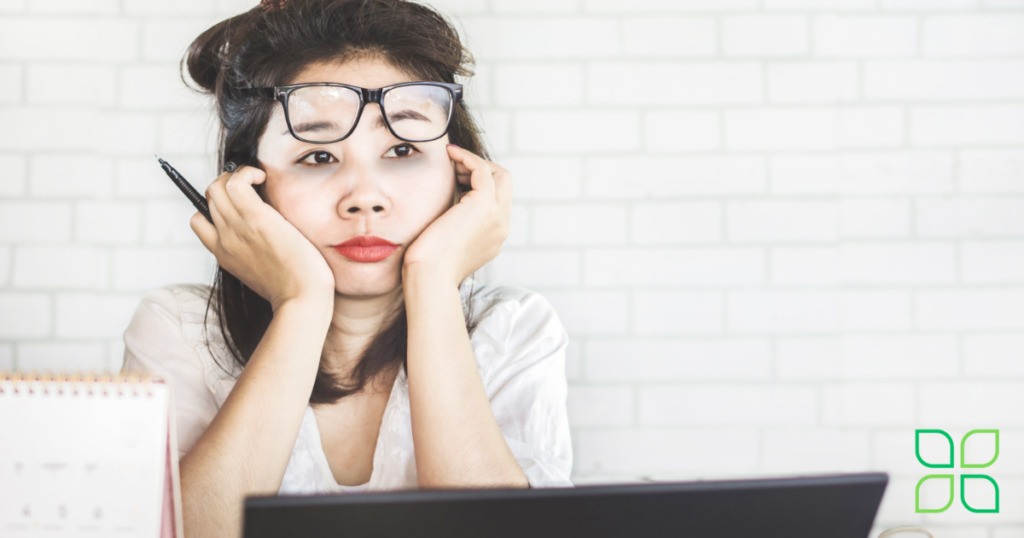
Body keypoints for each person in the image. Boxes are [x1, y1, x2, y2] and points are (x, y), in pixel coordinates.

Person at [119, 0, 572, 535]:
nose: (365, 199)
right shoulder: (179, 328)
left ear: (461, 172)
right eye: (319, 156)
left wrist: (431, 280)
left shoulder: (514, 329)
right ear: (246, 188)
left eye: (403, 149)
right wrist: (301, 303)